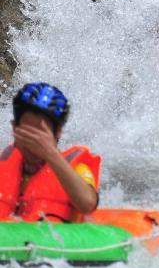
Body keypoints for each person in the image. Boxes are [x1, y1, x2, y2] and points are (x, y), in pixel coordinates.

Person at [0, 83, 100, 222]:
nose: (34, 142)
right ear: (14, 127)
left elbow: (88, 204)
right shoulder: (4, 162)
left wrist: (50, 153)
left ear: (57, 132)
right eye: (28, 132)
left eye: (40, 134)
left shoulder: (77, 168)